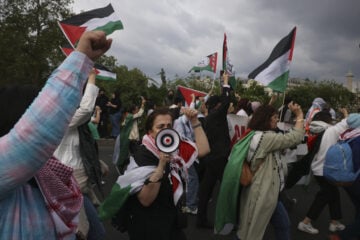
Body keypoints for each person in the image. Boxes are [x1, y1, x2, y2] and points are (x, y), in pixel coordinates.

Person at [0, 30, 112, 239]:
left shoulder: (50, 176)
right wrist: (82, 60)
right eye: (34, 111)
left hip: (77, 176)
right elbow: (35, 135)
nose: (43, 114)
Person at [99, 107, 210, 240]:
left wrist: (194, 121)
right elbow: (146, 200)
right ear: (150, 132)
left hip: (169, 218)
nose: (165, 129)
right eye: (160, 127)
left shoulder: (174, 146)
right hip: (148, 224)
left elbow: (204, 149)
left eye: (169, 126)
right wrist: (161, 166)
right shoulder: (142, 155)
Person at [236, 103, 305, 240]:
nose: (277, 120)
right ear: (266, 119)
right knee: (250, 232)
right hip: (263, 191)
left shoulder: (253, 133)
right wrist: (299, 116)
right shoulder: (266, 138)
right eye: (274, 117)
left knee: (282, 226)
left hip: (269, 191)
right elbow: (294, 138)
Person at [53, 68, 105, 238]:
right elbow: (86, 109)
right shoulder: (58, 118)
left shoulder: (76, 124)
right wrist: (91, 77)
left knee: (95, 231)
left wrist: (97, 163)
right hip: (68, 184)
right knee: (84, 232)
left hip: (80, 185)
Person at [298, 108, 349, 235]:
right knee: (325, 195)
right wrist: (346, 114)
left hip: (318, 167)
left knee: (333, 194)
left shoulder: (315, 130)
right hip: (325, 169)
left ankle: (334, 222)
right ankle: (305, 222)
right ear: (327, 120)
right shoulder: (331, 131)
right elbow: (347, 122)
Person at [197, 72, 231, 228]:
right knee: (229, 188)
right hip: (219, 158)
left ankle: (201, 219)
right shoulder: (217, 115)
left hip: (210, 158)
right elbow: (226, 101)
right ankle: (229, 220)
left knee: (206, 189)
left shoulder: (207, 117)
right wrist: (225, 82)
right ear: (217, 106)